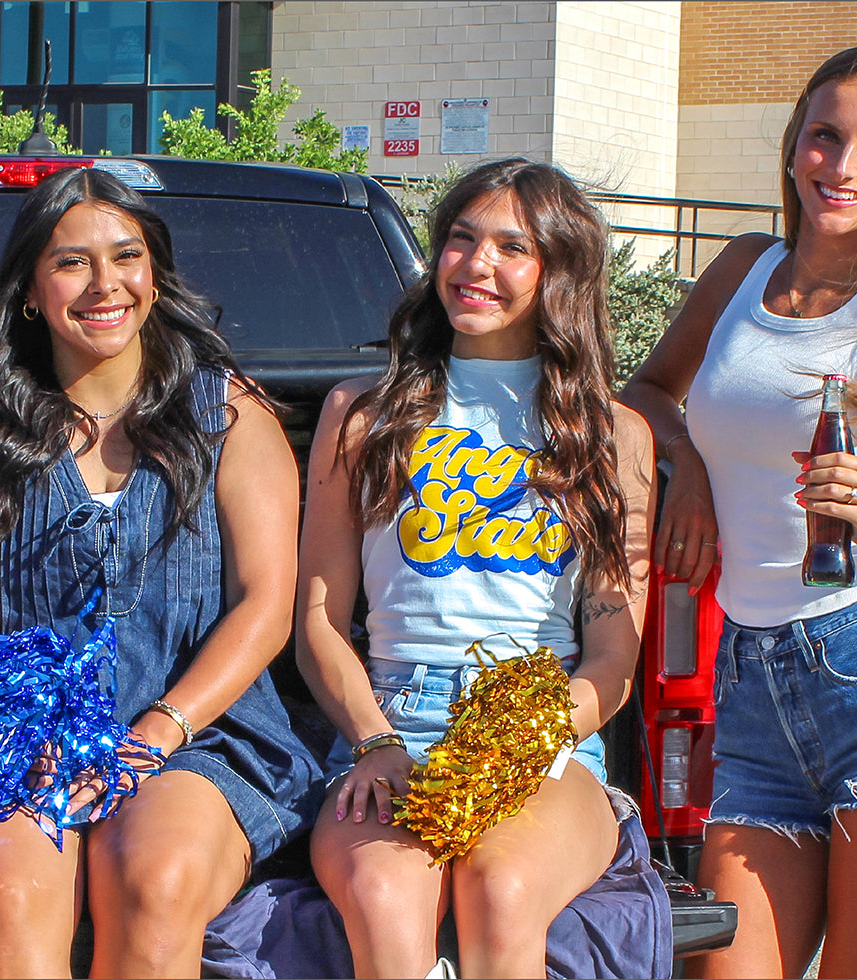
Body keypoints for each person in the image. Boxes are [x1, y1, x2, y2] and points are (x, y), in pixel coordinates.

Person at [620, 44, 857, 979]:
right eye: (825, 136)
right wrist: (689, 469)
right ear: (795, 143)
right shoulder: (742, 270)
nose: (843, 166)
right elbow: (647, 392)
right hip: (750, 685)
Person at [0, 166, 319, 978]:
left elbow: (266, 605)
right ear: (32, 291)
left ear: (154, 276)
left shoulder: (228, 415)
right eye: (71, 262)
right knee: (15, 894)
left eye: (126, 256)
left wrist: (155, 733)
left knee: (155, 880)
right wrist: (23, 739)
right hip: (13, 739)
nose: (105, 284)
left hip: (199, 735)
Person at [295, 158, 656, 979]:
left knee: (501, 887)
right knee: (384, 895)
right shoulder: (363, 415)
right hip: (393, 718)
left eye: (512, 247)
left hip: (542, 731)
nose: (476, 264)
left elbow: (614, 652)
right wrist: (375, 741)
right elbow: (318, 618)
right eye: (461, 239)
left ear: (559, 272)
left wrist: (524, 738)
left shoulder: (611, 436)